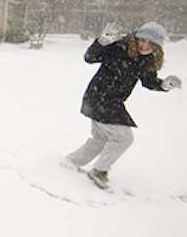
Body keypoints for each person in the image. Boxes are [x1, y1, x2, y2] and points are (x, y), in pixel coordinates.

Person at [65, 21, 182, 190]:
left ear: (158, 46)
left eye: (151, 43)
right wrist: (101, 42)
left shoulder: (147, 59)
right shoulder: (119, 47)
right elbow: (89, 58)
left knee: (100, 139)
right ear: (137, 37)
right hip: (99, 98)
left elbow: (148, 81)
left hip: (112, 101)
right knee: (124, 138)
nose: (145, 45)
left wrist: (163, 85)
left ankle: (70, 162)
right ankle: (99, 171)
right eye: (142, 40)